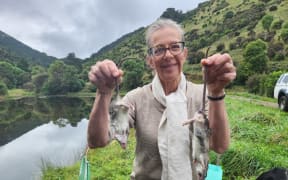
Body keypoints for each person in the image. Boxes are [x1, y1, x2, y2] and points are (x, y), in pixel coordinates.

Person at [87, 18, 236, 180]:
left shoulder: (203, 95)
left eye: (175, 47)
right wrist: (103, 93)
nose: (168, 55)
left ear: (184, 54)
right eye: (159, 50)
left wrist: (216, 92)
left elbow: (220, 146)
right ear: (150, 60)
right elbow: (97, 140)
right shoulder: (135, 98)